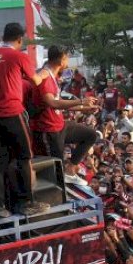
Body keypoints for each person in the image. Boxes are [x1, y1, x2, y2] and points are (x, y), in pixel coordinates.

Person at [0, 23, 52, 218]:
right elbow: (35, 80)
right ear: (20, 39)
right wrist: (43, 74)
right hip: (13, 113)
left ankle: (0, 207)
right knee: (25, 158)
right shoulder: (19, 56)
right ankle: (28, 203)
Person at [31, 46, 98, 184]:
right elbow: (53, 103)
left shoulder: (53, 76)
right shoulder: (45, 76)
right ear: (62, 60)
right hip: (48, 130)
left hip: (60, 125)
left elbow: (59, 104)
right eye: (67, 58)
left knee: (90, 135)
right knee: (55, 173)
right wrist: (80, 101)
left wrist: (84, 108)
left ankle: (70, 169)